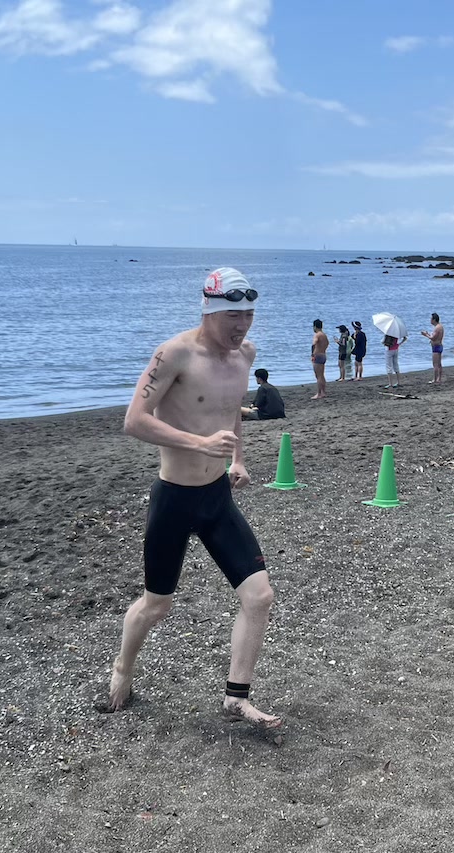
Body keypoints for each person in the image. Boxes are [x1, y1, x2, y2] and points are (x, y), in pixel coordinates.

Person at [108, 267, 281, 729]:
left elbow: (230, 411)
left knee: (259, 596)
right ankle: (123, 667)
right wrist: (199, 444)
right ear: (209, 311)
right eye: (233, 316)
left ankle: (235, 698)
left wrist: (237, 458)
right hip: (175, 498)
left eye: (249, 315)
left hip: (216, 498)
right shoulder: (174, 354)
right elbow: (134, 420)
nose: (242, 325)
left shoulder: (245, 355)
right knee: (157, 605)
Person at [421, 313, 444, 385]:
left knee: (435, 364)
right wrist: (428, 334)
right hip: (438, 345)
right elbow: (434, 337)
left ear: (434, 320)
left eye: (431, 319)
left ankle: (435, 379)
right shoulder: (440, 326)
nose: (430, 320)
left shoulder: (437, 327)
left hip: (436, 347)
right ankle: (439, 378)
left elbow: (433, 338)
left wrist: (425, 335)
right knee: (439, 364)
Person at [311, 319, 329, 399]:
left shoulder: (317, 335)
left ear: (315, 326)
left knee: (318, 376)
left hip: (317, 355)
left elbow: (314, 343)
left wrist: (312, 354)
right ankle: (323, 392)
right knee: (321, 375)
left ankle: (319, 393)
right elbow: (327, 343)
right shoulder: (324, 335)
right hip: (323, 355)